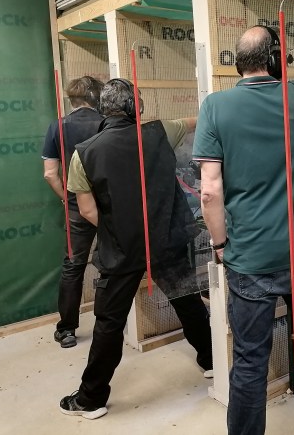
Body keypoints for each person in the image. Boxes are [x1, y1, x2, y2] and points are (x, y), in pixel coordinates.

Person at [193, 25, 294, 435]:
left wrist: (220, 244)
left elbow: (209, 191)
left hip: (250, 257)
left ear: (239, 63)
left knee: (251, 360)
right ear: (275, 60)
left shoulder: (215, 106)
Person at [59, 78, 213, 420]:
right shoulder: (160, 131)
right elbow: (196, 121)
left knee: (109, 322)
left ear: (104, 108)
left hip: (121, 248)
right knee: (188, 302)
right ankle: (211, 360)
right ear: (136, 107)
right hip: (166, 241)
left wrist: (120, 229)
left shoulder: (84, 152)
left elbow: (87, 210)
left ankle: (91, 398)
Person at [42, 76, 105, 349]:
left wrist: (66, 199)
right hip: (108, 207)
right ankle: (111, 324)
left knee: (73, 266)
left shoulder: (57, 126)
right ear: (96, 98)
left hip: (77, 208)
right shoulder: (107, 123)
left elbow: (50, 174)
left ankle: (67, 330)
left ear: (73, 99)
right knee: (111, 264)